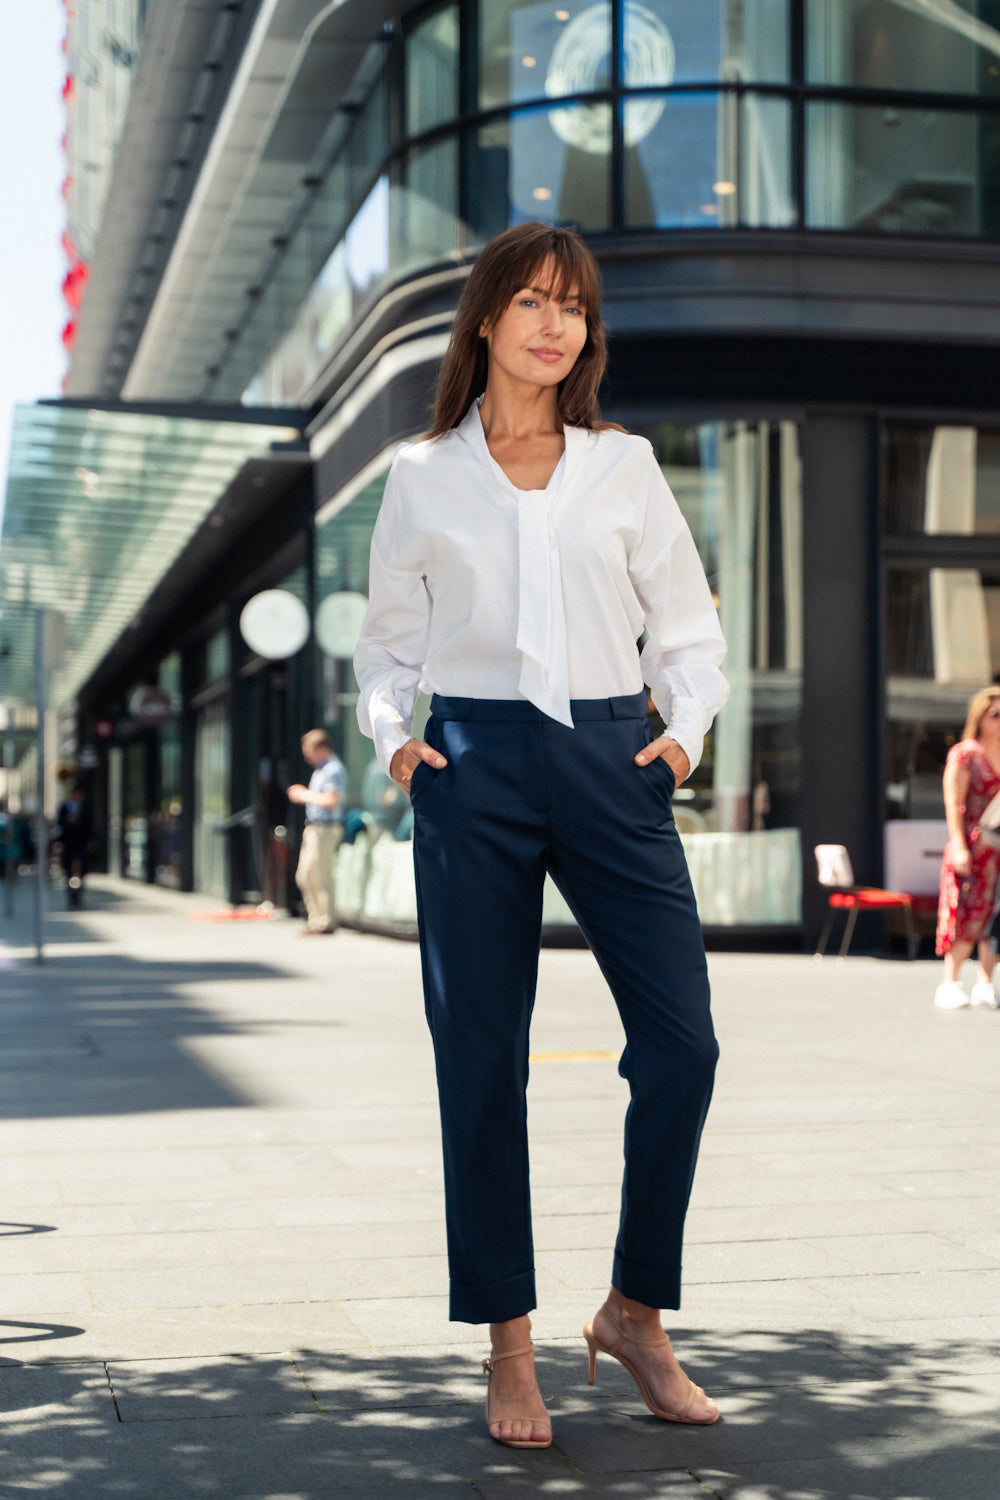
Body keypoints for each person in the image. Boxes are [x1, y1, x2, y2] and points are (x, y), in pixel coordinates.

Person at [354, 222, 729, 1448]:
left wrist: (682, 733)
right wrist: (395, 738)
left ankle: (633, 1310)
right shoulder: (421, 475)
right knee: (480, 1058)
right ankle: (508, 1348)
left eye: (570, 304)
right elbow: (386, 644)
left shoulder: (623, 468)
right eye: (527, 301)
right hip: (474, 764)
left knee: (682, 1044)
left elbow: (686, 626)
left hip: (613, 756)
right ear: (484, 321)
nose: (552, 322)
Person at [935, 686, 1000, 1010]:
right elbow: (952, 802)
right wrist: (958, 844)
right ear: (980, 717)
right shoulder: (966, 753)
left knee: (997, 916)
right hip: (974, 846)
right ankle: (950, 981)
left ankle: (986, 982)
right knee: (966, 910)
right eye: (995, 714)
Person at [287, 729, 346, 934]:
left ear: (321, 748)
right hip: (313, 827)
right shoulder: (321, 770)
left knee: (320, 875)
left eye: (309, 750)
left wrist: (304, 795)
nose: (306, 756)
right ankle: (316, 920)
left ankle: (325, 921)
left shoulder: (332, 770)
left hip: (325, 828)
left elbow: (331, 800)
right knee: (305, 874)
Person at [56, 785, 94, 908]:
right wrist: (68, 821)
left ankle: (78, 895)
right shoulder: (65, 808)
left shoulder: (86, 809)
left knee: (82, 868)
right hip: (68, 844)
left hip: (81, 843)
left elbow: (90, 826)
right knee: (67, 869)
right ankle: (71, 896)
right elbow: (60, 824)